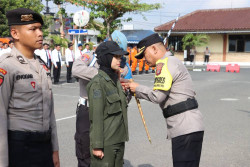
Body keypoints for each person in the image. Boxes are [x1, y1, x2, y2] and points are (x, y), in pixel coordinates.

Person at [125, 33, 204, 167]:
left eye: (144, 55)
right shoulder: (172, 61)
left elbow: (157, 96)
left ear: (155, 49)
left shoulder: (165, 63)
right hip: (188, 126)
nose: (143, 59)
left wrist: (136, 88)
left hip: (185, 128)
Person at [0, 8, 60, 167]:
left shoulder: (42, 66)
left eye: (40, 28)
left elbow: (50, 111)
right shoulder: (7, 67)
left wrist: (55, 150)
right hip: (20, 149)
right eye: (33, 29)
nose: (40, 33)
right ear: (15, 34)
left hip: (44, 147)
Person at [87, 41, 130, 167]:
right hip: (106, 143)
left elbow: (122, 106)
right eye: (115, 57)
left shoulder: (115, 80)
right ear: (106, 58)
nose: (119, 60)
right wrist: (97, 146)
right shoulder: (98, 84)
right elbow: (97, 117)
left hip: (119, 140)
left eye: (120, 57)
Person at [72, 50, 99, 167]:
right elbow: (76, 69)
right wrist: (102, 74)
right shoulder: (91, 56)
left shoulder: (121, 63)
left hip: (105, 112)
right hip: (86, 108)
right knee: (84, 151)